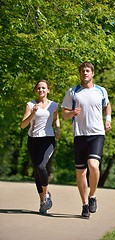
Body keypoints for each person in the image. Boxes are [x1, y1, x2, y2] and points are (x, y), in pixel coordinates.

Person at [62, 62, 112, 218]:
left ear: (92, 73)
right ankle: (84, 205)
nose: (85, 73)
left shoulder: (101, 91)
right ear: (80, 73)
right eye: (83, 71)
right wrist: (72, 113)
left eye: (88, 71)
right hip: (79, 135)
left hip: (97, 133)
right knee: (80, 173)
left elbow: (107, 105)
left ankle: (93, 195)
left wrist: (108, 118)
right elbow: (65, 113)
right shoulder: (72, 92)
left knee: (93, 165)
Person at [21, 79, 60, 214]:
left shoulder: (54, 105)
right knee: (37, 171)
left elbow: (55, 118)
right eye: (38, 88)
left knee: (40, 166)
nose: (41, 90)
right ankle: (43, 200)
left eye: (44, 88)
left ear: (48, 90)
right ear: (36, 90)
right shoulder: (30, 105)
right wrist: (33, 113)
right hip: (33, 140)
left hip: (48, 139)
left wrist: (58, 129)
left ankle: (46, 194)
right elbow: (23, 125)